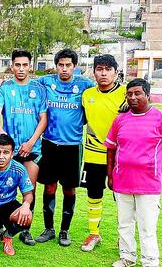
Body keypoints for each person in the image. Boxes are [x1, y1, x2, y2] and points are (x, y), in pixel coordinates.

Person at [106, 78, 162, 267]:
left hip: (148, 183)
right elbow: (111, 149)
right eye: (129, 94)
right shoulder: (120, 119)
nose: (132, 97)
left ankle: (150, 261)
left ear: (148, 95)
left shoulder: (160, 118)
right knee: (124, 223)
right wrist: (110, 174)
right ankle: (127, 257)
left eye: (137, 93)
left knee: (147, 227)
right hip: (122, 180)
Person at [35, 49, 94, 246]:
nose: (64, 68)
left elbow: (93, 108)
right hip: (50, 144)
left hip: (73, 146)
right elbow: (24, 85)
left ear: (75, 67)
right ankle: (49, 228)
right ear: (56, 65)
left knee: (69, 189)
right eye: (61, 65)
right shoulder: (45, 82)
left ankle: (64, 231)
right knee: (49, 186)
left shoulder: (85, 85)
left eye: (68, 65)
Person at [0, 49, 47, 245]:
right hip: (9, 151)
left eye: (25, 65)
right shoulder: (5, 88)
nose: (21, 68)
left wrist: (31, 141)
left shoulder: (38, 89)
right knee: (3, 190)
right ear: (12, 65)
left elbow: (43, 119)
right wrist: (0, 132)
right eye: (17, 65)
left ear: (30, 66)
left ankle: (25, 230)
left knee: (28, 190)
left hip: (32, 149)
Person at [79, 54, 127, 252]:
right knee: (94, 195)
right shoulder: (87, 94)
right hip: (93, 154)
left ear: (116, 72)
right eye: (100, 69)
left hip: (120, 157)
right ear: (94, 72)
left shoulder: (126, 94)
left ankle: (123, 238)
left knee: (122, 199)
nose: (103, 73)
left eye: (108, 69)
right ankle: (93, 233)